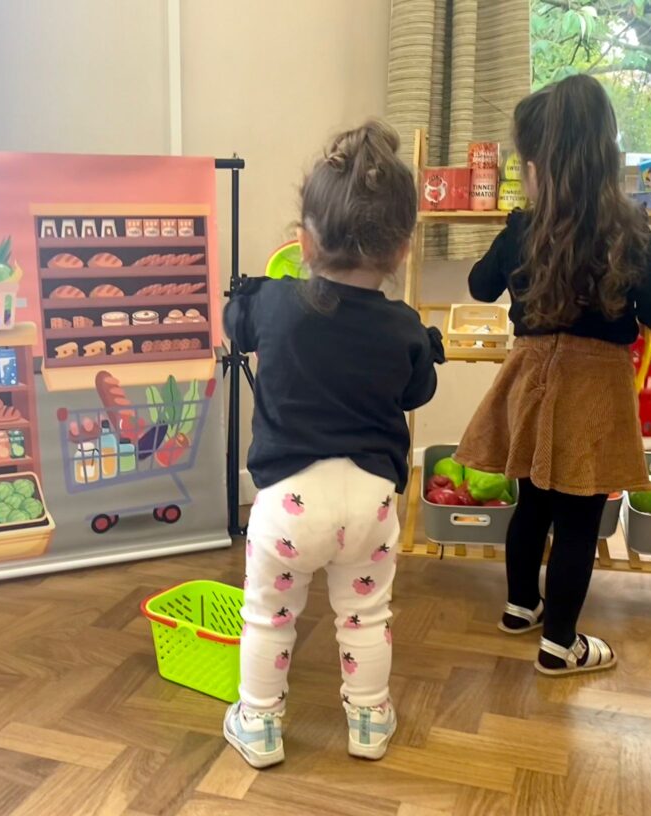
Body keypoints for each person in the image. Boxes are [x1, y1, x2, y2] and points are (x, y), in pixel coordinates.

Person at [222, 120, 445, 768]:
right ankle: (370, 721)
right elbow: (416, 392)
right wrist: (423, 348)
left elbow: (237, 328)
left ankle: (259, 727)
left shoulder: (275, 304)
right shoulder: (402, 325)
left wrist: (250, 294)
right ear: (402, 249)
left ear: (302, 241)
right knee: (364, 616)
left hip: (290, 504)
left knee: (269, 617)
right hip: (371, 503)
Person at [455, 75, 651, 677]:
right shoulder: (629, 229)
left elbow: (478, 286)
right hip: (595, 390)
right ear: (606, 158)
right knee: (579, 516)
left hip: (532, 381)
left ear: (536, 168)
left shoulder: (521, 230)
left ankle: (519, 606)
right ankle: (560, 644)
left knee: (531, 499)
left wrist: (509, 239)